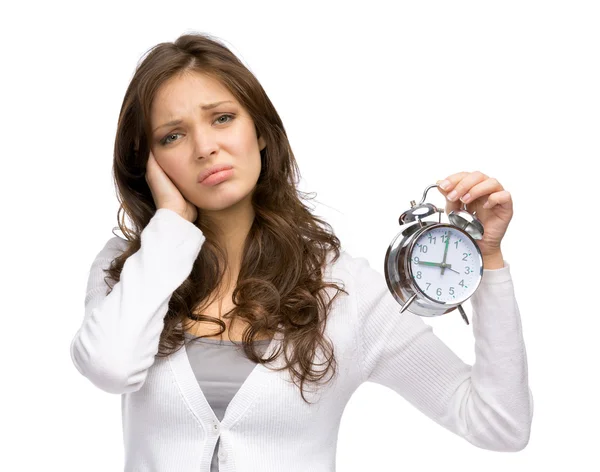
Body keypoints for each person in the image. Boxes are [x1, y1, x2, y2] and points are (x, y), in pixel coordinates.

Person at [69, 32, 533, 472]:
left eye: (222, 118)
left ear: (261, 132)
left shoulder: (344, 290)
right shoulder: (129, 269)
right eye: (172, 136)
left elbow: (499, 424)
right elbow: (110, 368)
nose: (205, 148)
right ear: (149, 163)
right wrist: (169, 225)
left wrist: (486, 260)